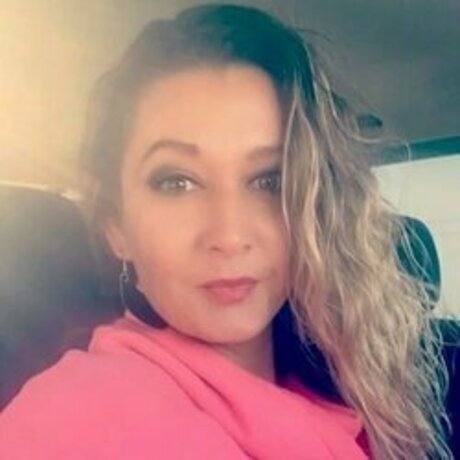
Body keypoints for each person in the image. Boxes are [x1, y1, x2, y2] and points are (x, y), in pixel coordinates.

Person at [0, 4, 452, 459]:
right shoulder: (75, 420)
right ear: (118, 227)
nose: (230, 235)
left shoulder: (346, 397)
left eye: (269, 180)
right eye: (176, 182)